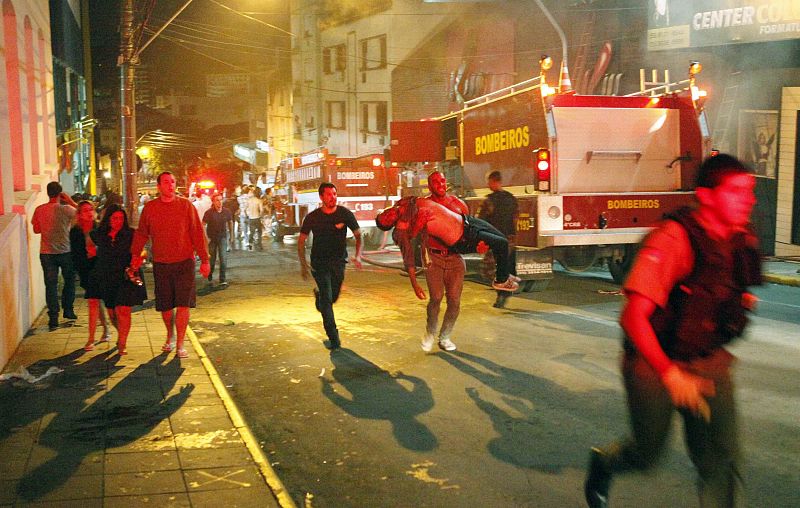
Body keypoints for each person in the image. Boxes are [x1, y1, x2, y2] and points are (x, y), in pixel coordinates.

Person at [584, 154, 762, 508]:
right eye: (738, 191)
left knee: (719, 460)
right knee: (647, 453)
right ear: (707, 196)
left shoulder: (741, 240)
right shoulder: (673, 239)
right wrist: (671, 375)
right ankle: (605, 462)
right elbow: (633, 318)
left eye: (750, 191)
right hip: (654, 362)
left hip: (708, 361)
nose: (749, 200)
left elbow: (729, 287)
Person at [130, 171, 210, 359]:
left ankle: (180, 343)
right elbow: (142, 233)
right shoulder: (150, 208)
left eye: (173, 182)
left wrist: (205, 260)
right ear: (159, 186)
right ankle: (170, 334)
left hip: (185, 262)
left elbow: (197, 233)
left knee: (183, 304)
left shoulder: (185, 206)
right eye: (166, 182)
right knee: (165, 307)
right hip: (161, 263)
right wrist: (135, 255)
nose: (170, 185)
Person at [376, 197, 518, 292]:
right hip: (462, 237)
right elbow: (409, 260)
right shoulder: (403, 227)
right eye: (387, 221)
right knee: (502, 243)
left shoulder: (403, 203)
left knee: (500, 237)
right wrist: (415, 284)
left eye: (385, 214)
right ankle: (501, 280)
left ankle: (504, 274)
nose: (388, 216)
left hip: (467, 222)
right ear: (392, 225)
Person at [297, 182, 362, 350]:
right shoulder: (312, 217)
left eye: (334, 194)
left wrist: (358, 255)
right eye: (329, 194)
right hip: (319, 263)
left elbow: (358, 235)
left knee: (332, 298)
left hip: (339, 262)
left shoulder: (345, 214)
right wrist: (303, 265)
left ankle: (319, 298)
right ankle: (333, 336)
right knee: (327, 299)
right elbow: (301, 240)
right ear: (321, 197)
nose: (333, 197)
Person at [91, 204, 148, 355]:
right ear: (108, 219)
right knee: (112, 312)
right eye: (115, 218)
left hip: (126, 275)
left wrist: (139, 259)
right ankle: (121, 333)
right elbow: (89, 248)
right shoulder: (99, 234)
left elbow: (142, 250)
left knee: (123, 309)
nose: (118, 221)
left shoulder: (130, 234)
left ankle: (122, 342)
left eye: (121, 218)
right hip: (107, 276)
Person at [31, 181, 79, 330]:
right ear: (60, 194)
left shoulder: (39, 209)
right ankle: (68, 310)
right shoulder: (67, 209)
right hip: (65, 251)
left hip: (46, 253)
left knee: (50, 285)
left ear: (47, 193)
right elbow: (83, 212)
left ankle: (53, 317)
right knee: (69, 281)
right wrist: (70, 200)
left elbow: (36, 230)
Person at [70, 200, 111, 350]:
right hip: (86, 270)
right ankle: (96, 335)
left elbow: (107, 249)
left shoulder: (100, 228)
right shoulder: (75, 231)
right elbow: (75, 254)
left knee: (99, 301)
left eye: (91, 210)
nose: (89, 213)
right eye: (85, 210)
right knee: (94, 301)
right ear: (79, 214)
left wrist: (96, 252)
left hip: (100, 268)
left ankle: (103, 333)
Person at [478, 170, 519, 308]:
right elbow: (515, 218)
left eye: (489, 182)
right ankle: (504, 292)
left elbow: (482, 221)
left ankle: (502, 293)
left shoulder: (489, 201)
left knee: (488, 269)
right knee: (504, 266)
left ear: (494, 181)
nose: (488, 185)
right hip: (509, 238)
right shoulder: (511, 198)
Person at [203, 193, 233, 286]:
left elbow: (230, 222)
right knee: (211, 259)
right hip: (212, 238)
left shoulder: (226, 211)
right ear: (213, 202)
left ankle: (222, 279)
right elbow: (202, 224)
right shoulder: (209, 212)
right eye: (217, 200)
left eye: (220, 200)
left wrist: (232, 236)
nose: (219, 202)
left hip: (222, 238)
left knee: (223, 259)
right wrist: (206, 238)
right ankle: (209, 275)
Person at [246, 186, 264, 250]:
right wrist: (261, 217)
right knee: (259, 232)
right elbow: (261, 210)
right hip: (257, 217)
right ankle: (259, 244)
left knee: (252, 232)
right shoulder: (259, 201)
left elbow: (246, 209)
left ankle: (250, 243)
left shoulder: (249, 201)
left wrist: (248, 215)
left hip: (251, 218)